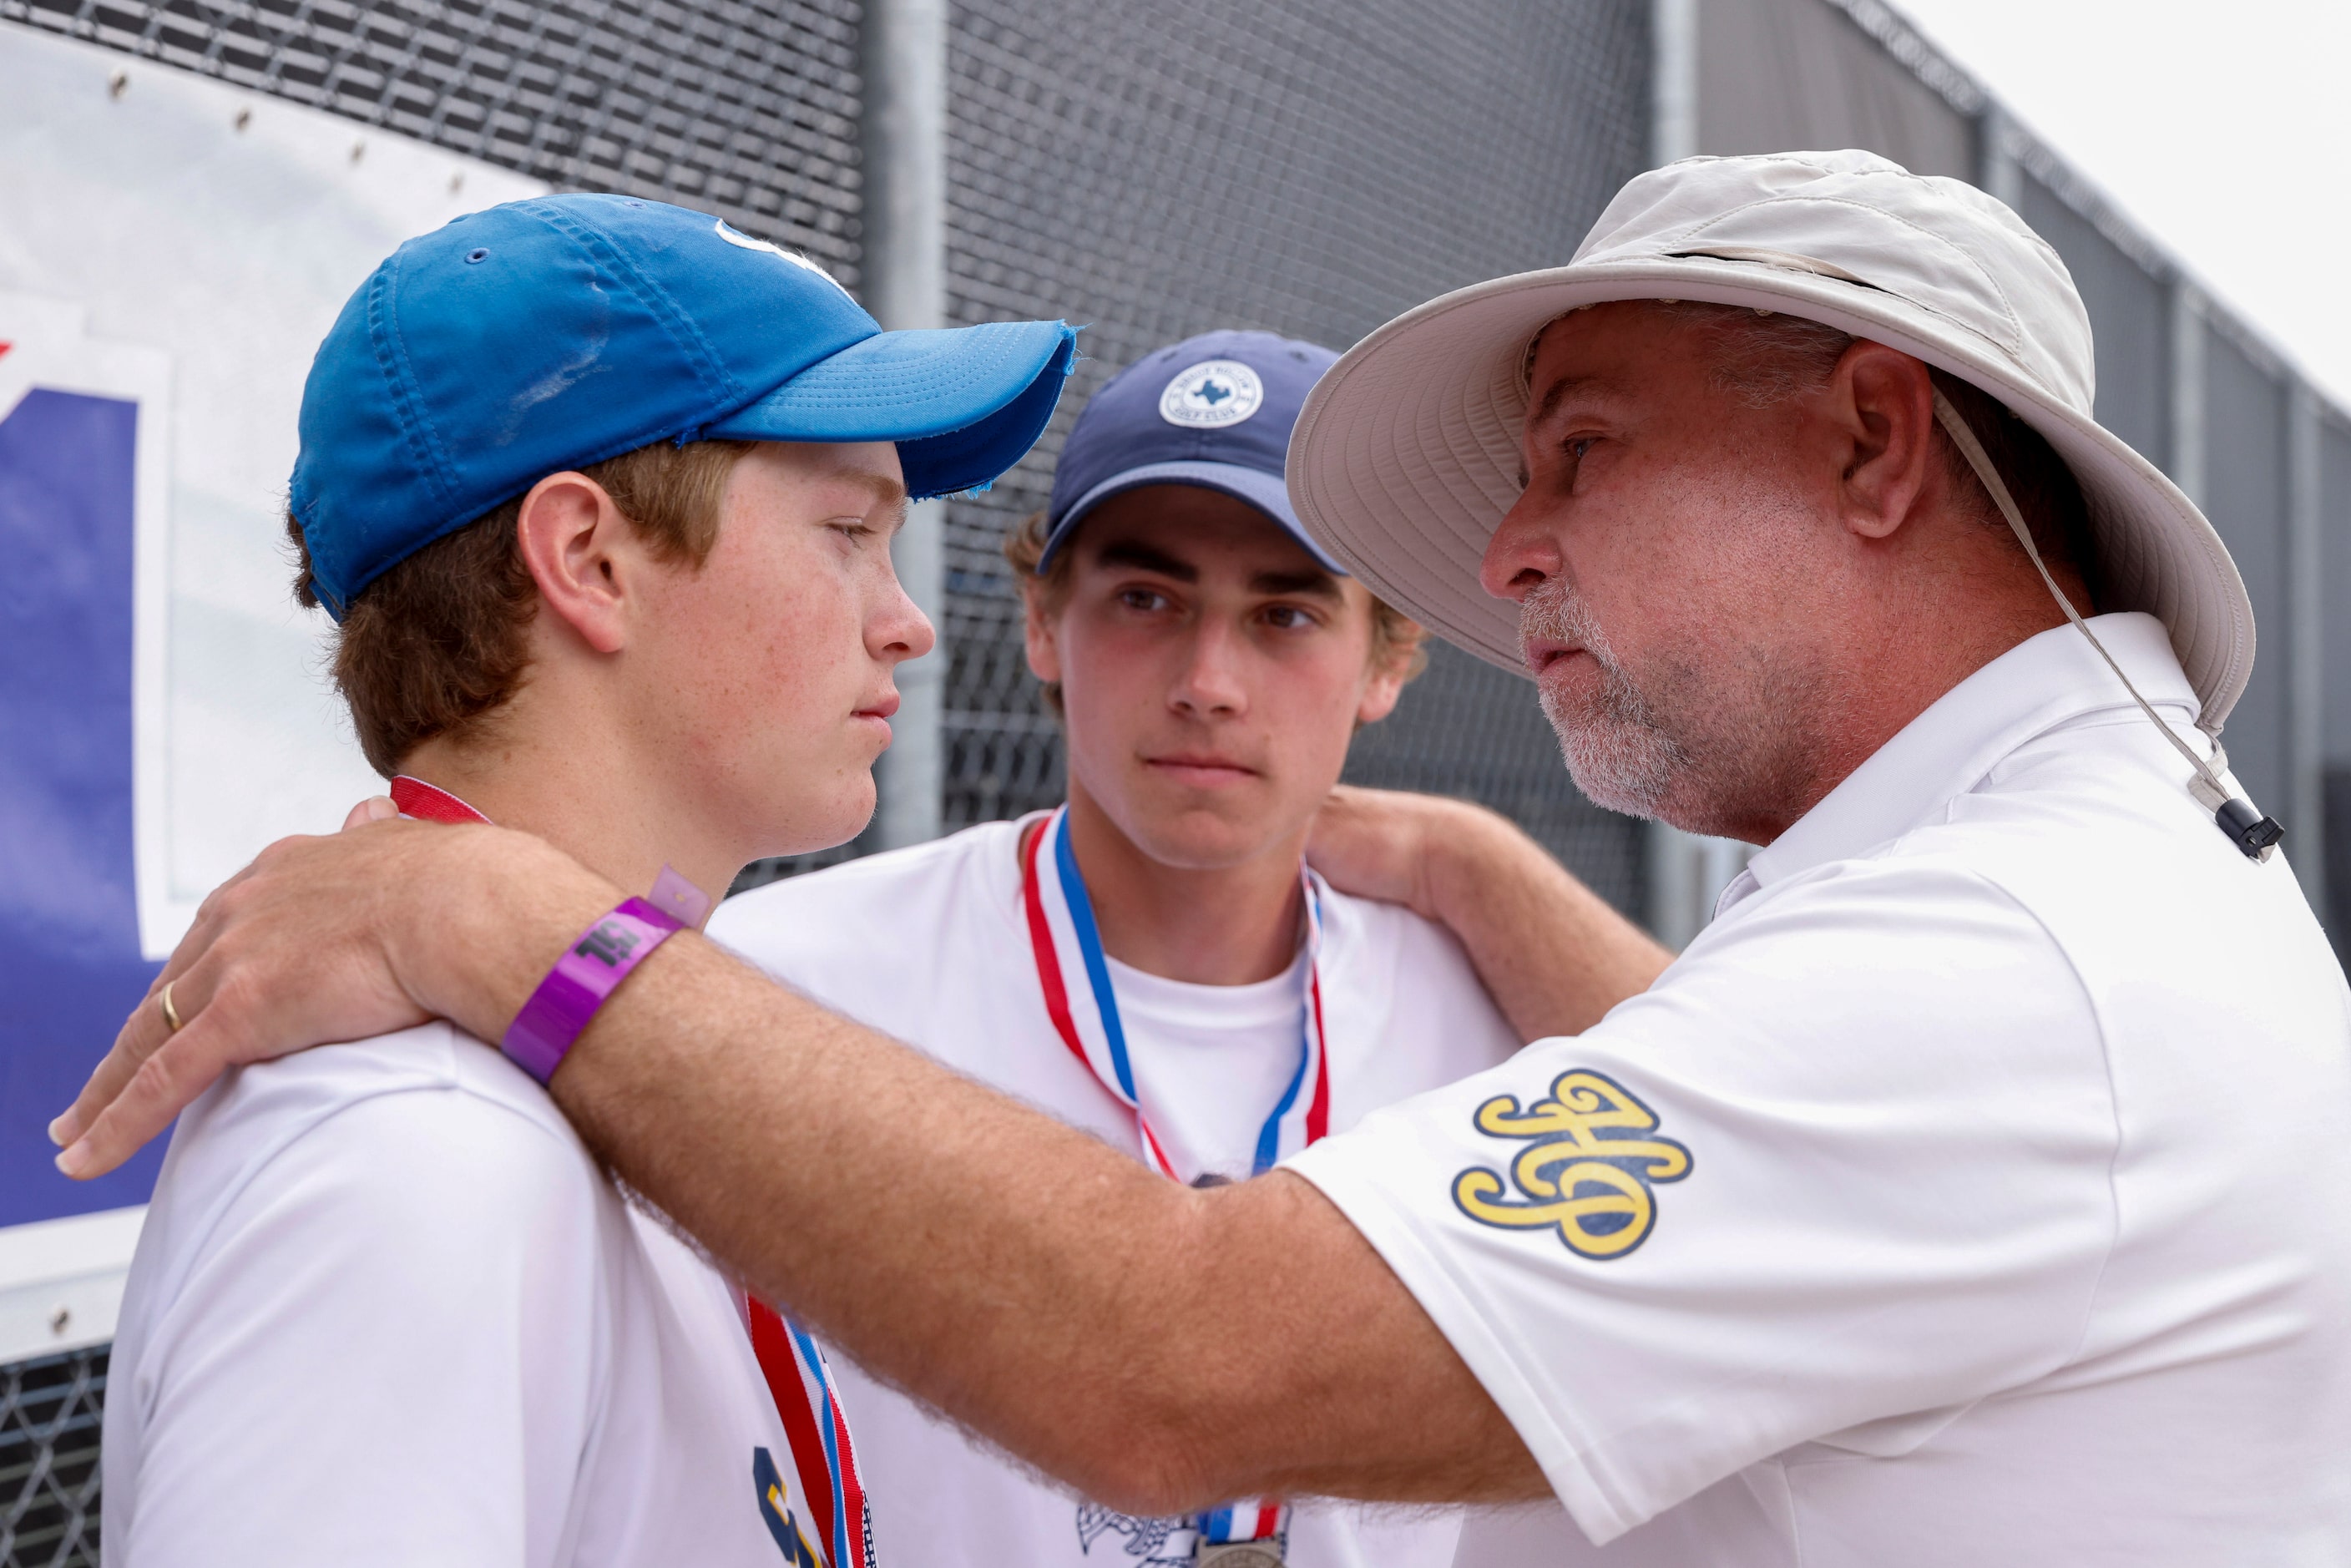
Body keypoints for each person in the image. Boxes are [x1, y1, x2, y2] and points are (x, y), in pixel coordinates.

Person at [62, 150, 2351, 1565]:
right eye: (854, 528)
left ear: (1874, 444)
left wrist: (517, 917)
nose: (1514, 550)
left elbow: (1175, 1352)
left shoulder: (2013, 953)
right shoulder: (428, 1142)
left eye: (1575, 451)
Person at [95, 191, 1076, 1566]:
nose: (908, 620)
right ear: (588, 559)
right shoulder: (420, 1160)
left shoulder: (545, 1072)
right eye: (850, 533)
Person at [709, 329, 1604, 1568]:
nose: (1209, 680)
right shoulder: (775, 981)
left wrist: (1475, 863)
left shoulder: (1504, 1015)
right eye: (1146, 598)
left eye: (1286, 612)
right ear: (1040, 624)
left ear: (1387, 660)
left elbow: (1756, 1145)